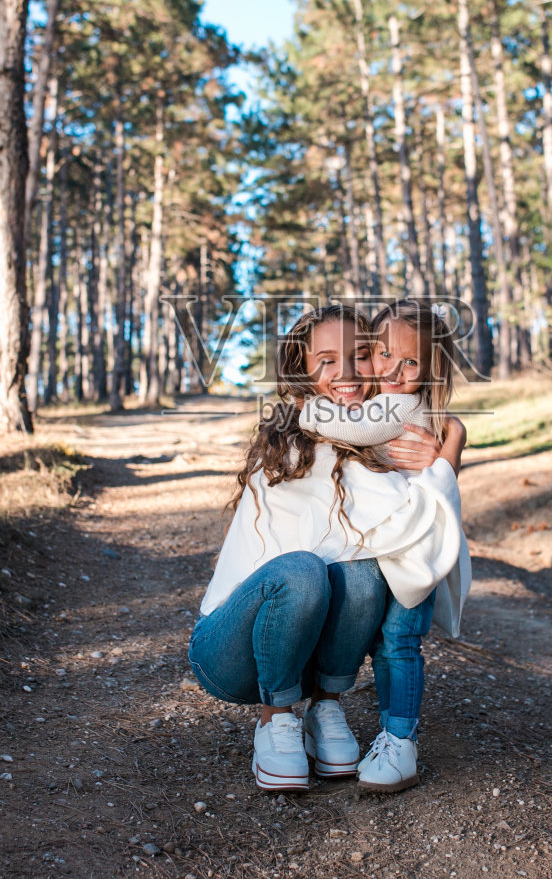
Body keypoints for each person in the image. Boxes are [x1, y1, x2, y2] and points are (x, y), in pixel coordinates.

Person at [188, 305, 465, 791]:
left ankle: (325, 707)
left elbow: (409, 524)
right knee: (302, 570)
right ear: (304, 367)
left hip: (304, 649)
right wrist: (450, 447)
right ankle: (275, 718)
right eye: (328, 360)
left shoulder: (380, 439)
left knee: (362, 568)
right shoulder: (292, 439)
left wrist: (449, 443)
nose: (350, 372)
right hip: (230, 651)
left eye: (361, 355)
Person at [299, 299, 469, 792]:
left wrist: (301, 406)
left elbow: (344, 425)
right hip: (392, 548)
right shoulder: (395, 402)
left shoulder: (401, 408)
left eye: (410, 362)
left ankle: (401, 741)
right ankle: (383, 732)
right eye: (381, 354)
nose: (392, 370)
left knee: (399, 642)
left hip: (413, 551)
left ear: (431, 370)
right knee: (384, 642)